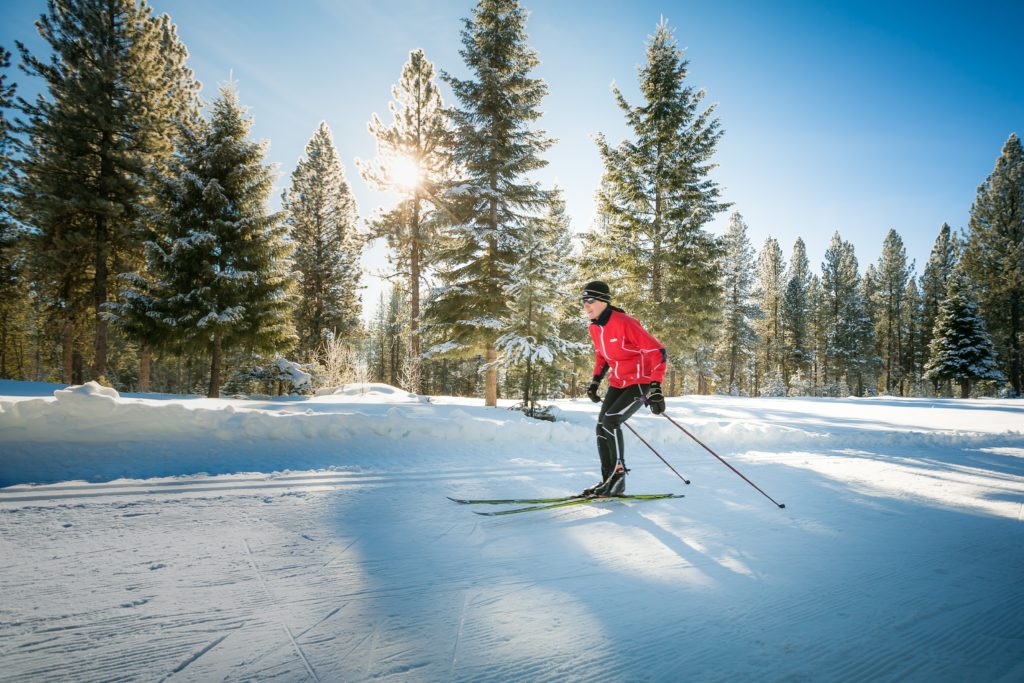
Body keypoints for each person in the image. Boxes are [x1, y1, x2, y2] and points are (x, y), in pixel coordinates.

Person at [580, 281, 667, 497]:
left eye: (590, 300)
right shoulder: (595, 327)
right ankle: (607, 480)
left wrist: (655, 387)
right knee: (601, 426)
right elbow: (602, 355)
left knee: (611, 421)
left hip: (641, 381)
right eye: (583, 301)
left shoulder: (625, 322)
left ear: (604, 301)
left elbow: (659, 352)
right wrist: (595, 381)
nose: (586, 305)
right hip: (618, 382)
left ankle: (618, 479)